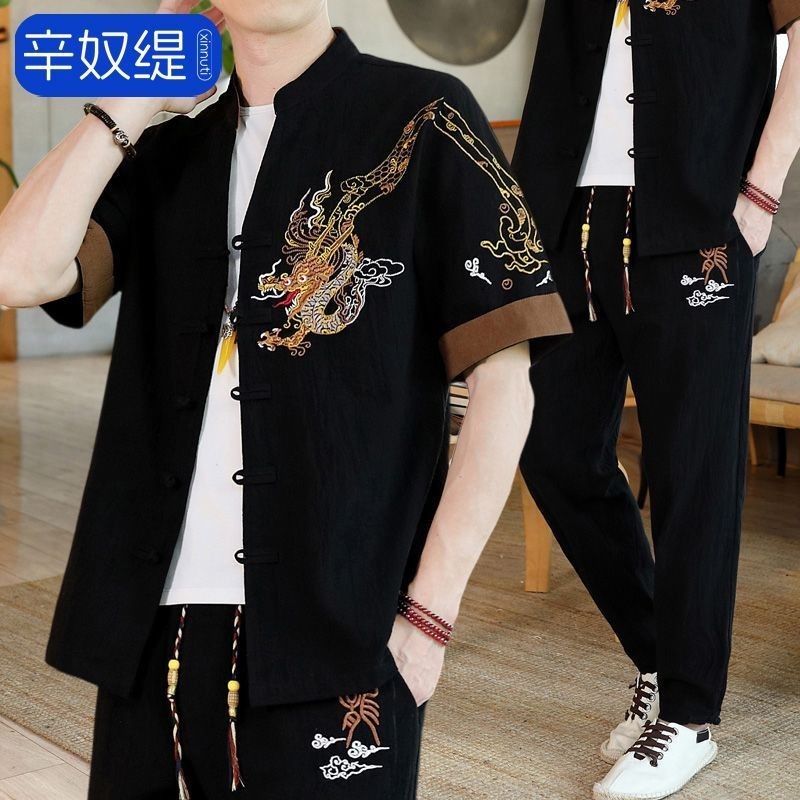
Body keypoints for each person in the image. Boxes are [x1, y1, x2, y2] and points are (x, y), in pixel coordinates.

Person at [0, 1, 571, 797]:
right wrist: (135, 92)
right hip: (152, 631)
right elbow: (17, 272)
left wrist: (429, 617)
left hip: (341, 632)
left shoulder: (425, 115)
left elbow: (505, 383)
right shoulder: (168, 145)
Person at [513, 1, 800, 798]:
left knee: (693, 469)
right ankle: (658, 655)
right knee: (549, 445)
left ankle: (689, 713)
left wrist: (762, 188)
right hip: (567, 216)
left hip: (698, 219)